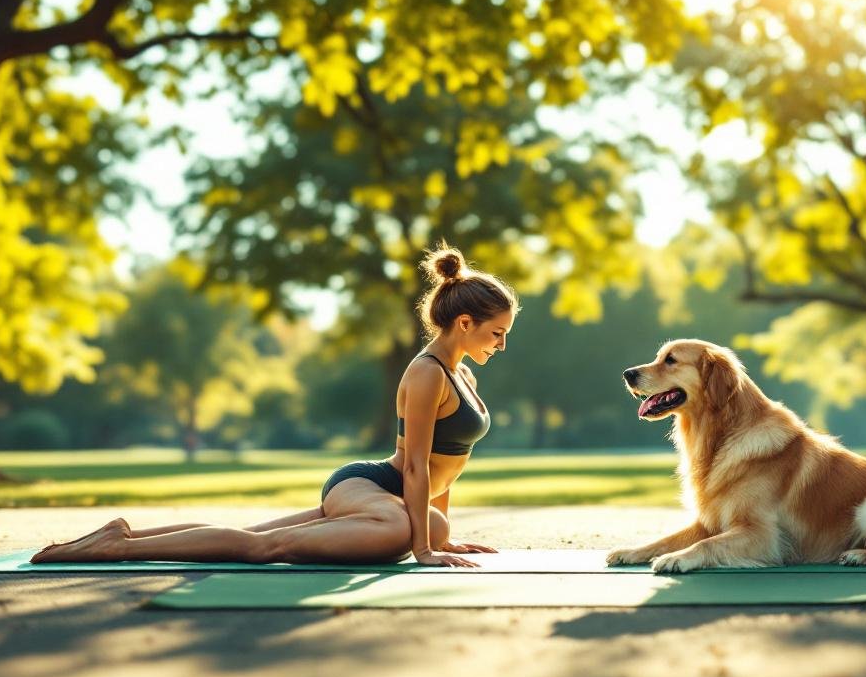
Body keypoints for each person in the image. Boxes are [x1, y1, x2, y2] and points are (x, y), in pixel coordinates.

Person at [30, 243, 517, 567]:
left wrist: (441, 537)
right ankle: (118, 550)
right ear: (465, 322)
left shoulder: (461, 372)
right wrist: (424, 552)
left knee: (420, 523)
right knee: (271, 546)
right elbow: (415, 466)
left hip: (386, 493)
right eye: (497, 333)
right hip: (371, 486)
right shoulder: (427, 372)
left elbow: (443, 468)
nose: (500, 344)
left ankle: (125, 533)